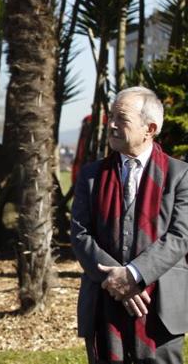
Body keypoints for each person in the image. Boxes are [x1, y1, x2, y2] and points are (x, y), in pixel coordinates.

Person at [71, 86, 188, 364]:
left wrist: (133, 275)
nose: (110, 124)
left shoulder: (180, 175)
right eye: (110, 115)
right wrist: (115, 280)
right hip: (103, 301)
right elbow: (80, 234)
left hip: (159, 306)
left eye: (121, 118)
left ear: (149, 128)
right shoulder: (91, 175)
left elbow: (180, 236)